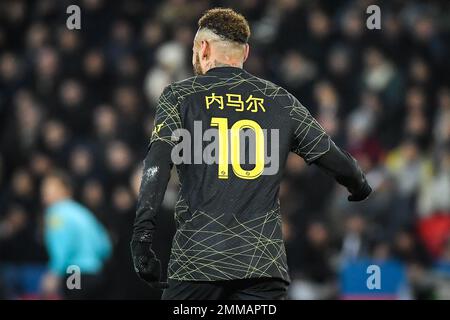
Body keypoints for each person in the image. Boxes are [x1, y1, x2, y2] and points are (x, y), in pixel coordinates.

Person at [131, 8, 371, 300]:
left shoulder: (179, 95)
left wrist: (143, 235)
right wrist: (358, 184)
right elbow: (334, 158)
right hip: (262, 266)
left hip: (198, 263)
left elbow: (157, 164)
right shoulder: (280, 100)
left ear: (203, 49)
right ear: (245, 52)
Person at [40, 171, 112, 299]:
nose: (45, 192)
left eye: (51, 188)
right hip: (97, 273)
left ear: (66, 190)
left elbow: (62, 246)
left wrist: (54, 272)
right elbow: (105, 245)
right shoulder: (82, 212)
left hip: (75, 273)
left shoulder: (56, 213)